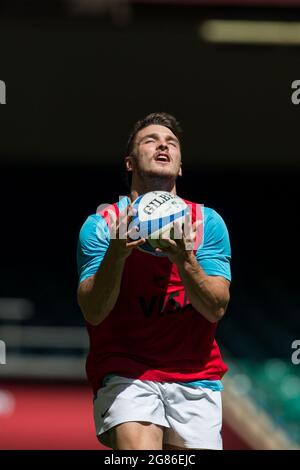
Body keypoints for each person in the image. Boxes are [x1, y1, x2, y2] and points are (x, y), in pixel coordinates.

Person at [77, 112, 231, 450]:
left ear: (179, 168)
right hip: (127, 372)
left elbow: (215, 308)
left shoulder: (207, 224)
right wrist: (116, 255)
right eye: (150, 140)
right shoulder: (103, 227)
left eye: (171, 143)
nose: (163, 144)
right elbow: (94, 311)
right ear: (130, 163)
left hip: (196, 377)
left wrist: (184, 259)